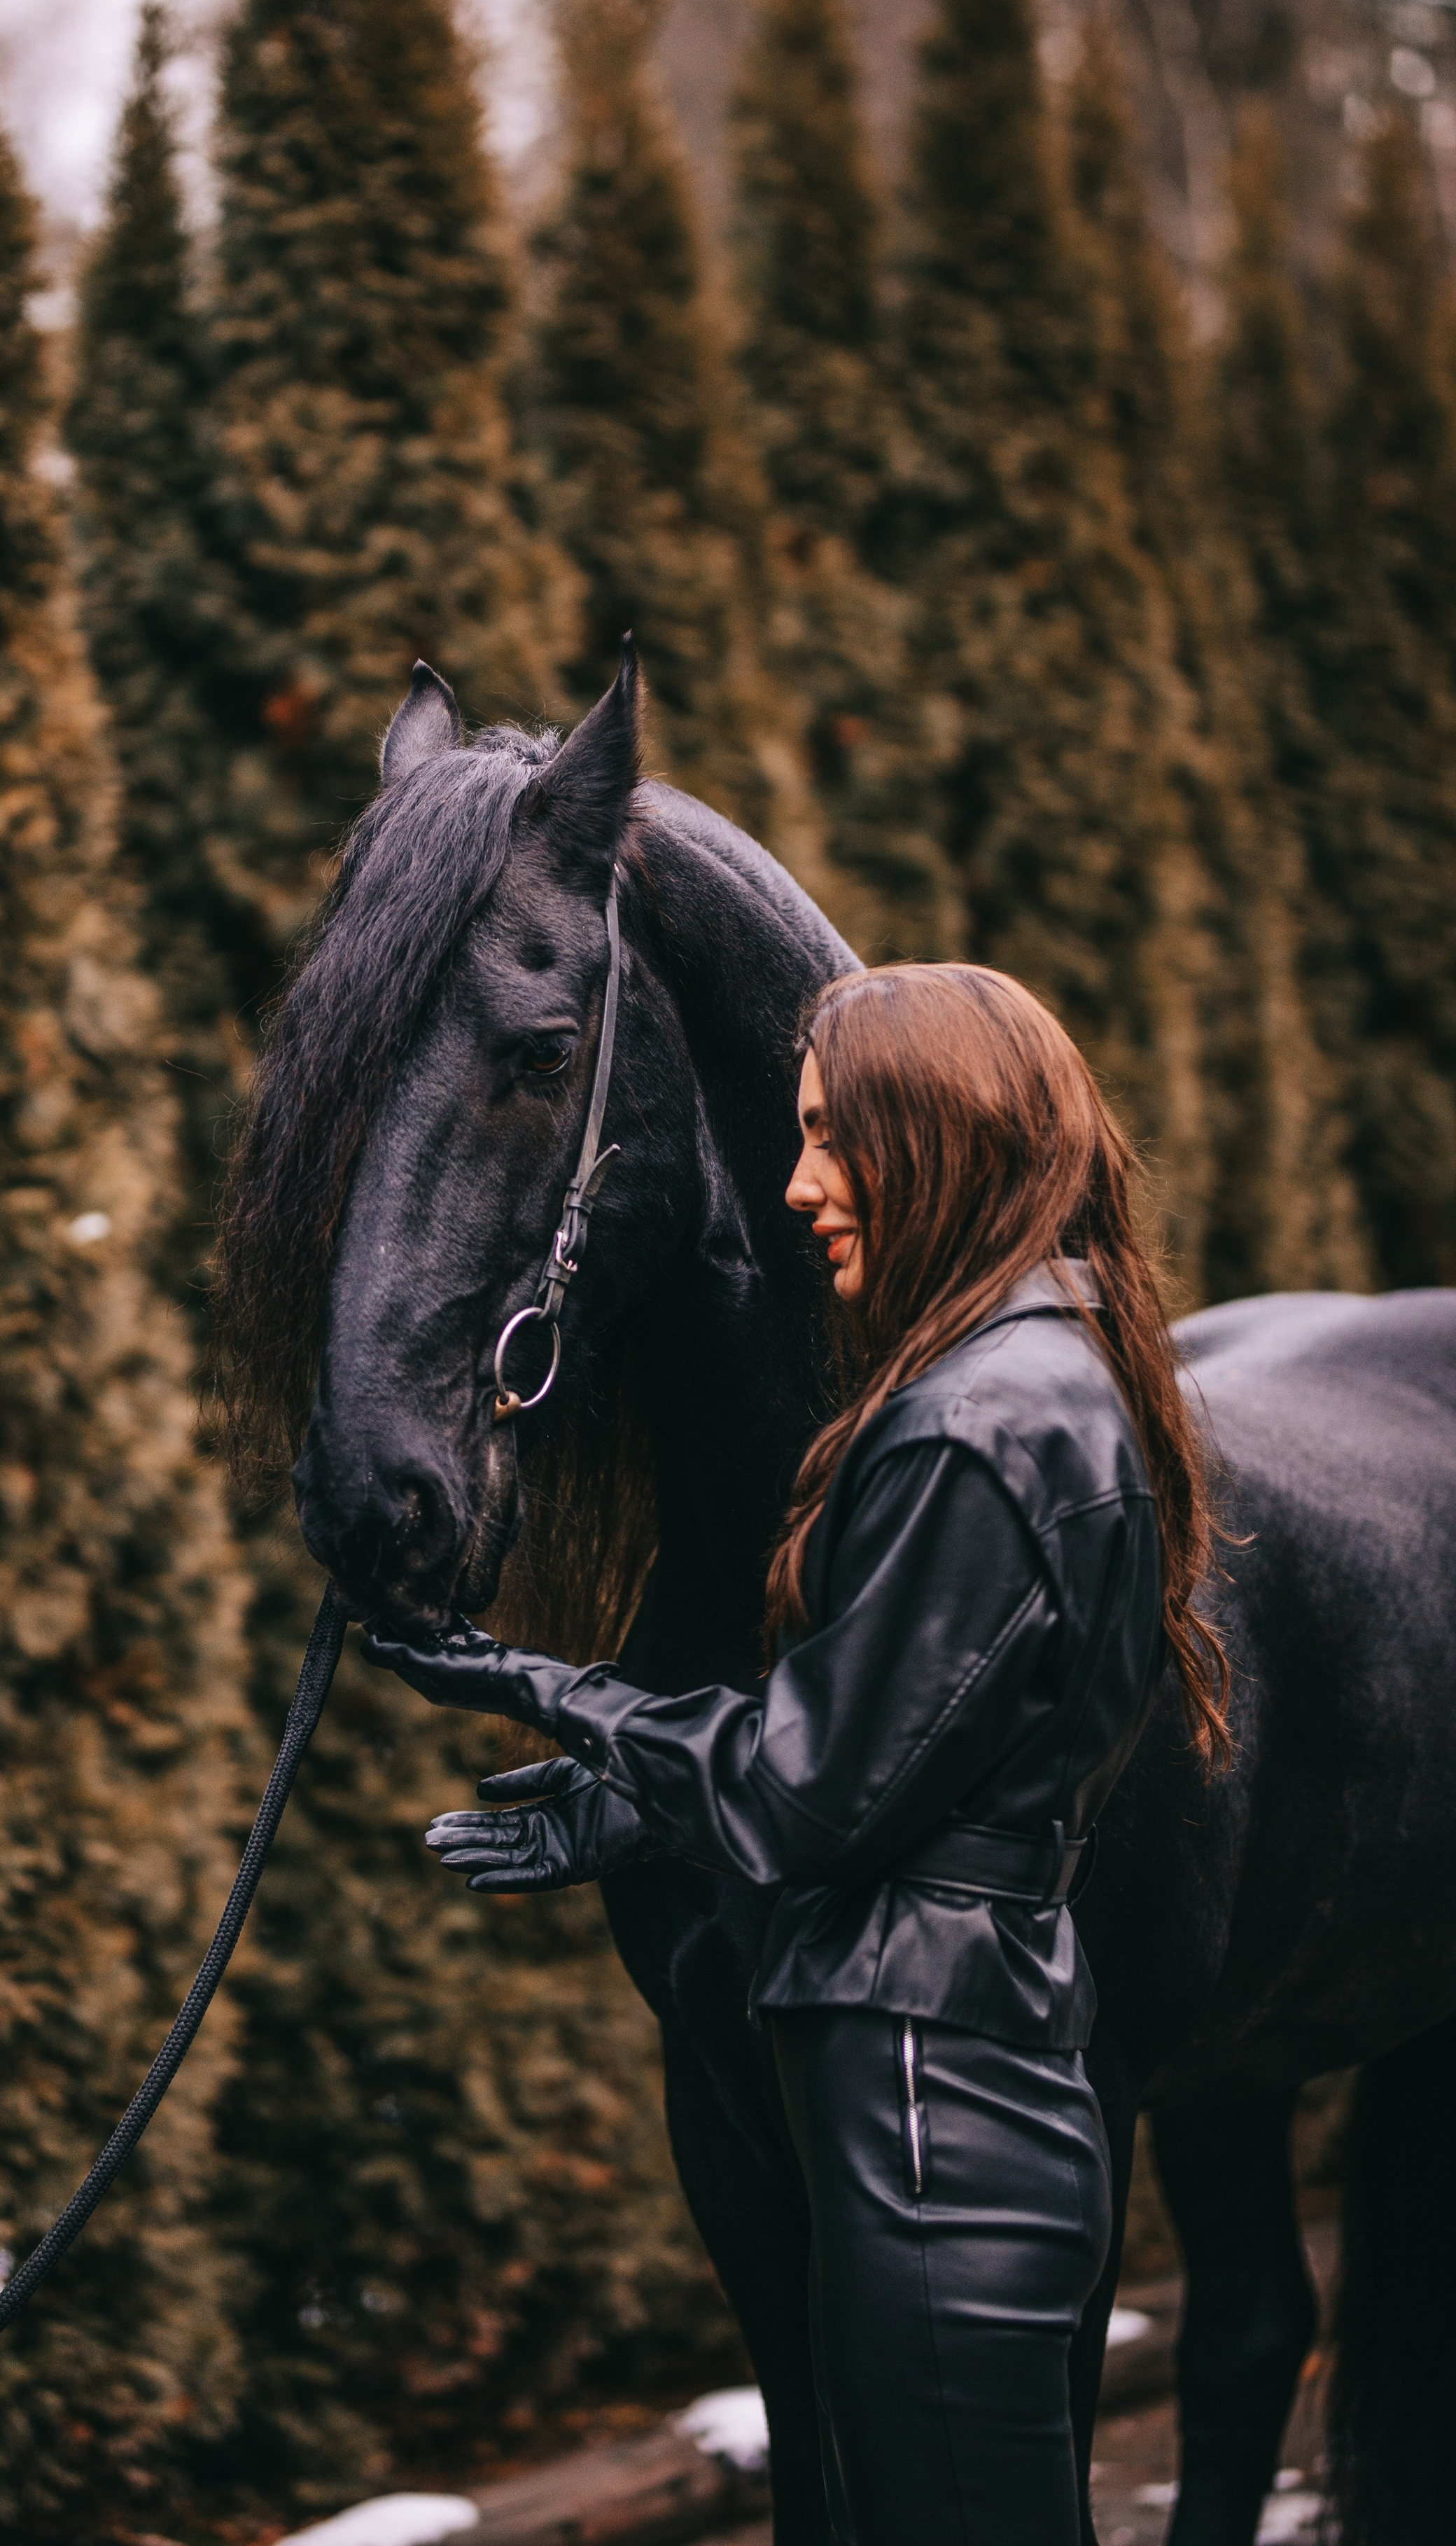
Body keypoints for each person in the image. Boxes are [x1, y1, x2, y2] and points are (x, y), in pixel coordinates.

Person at [362, 961, 1230, 2546]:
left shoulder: (978, 1421)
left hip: (929, 2117)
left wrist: (547, 1691)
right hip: (967, 2090)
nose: (796, 1184)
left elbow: (806, 1790)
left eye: (833, 1138)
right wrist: (631, 1805)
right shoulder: (1045, 1381)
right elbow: (916, 1755)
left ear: (943, 1137)